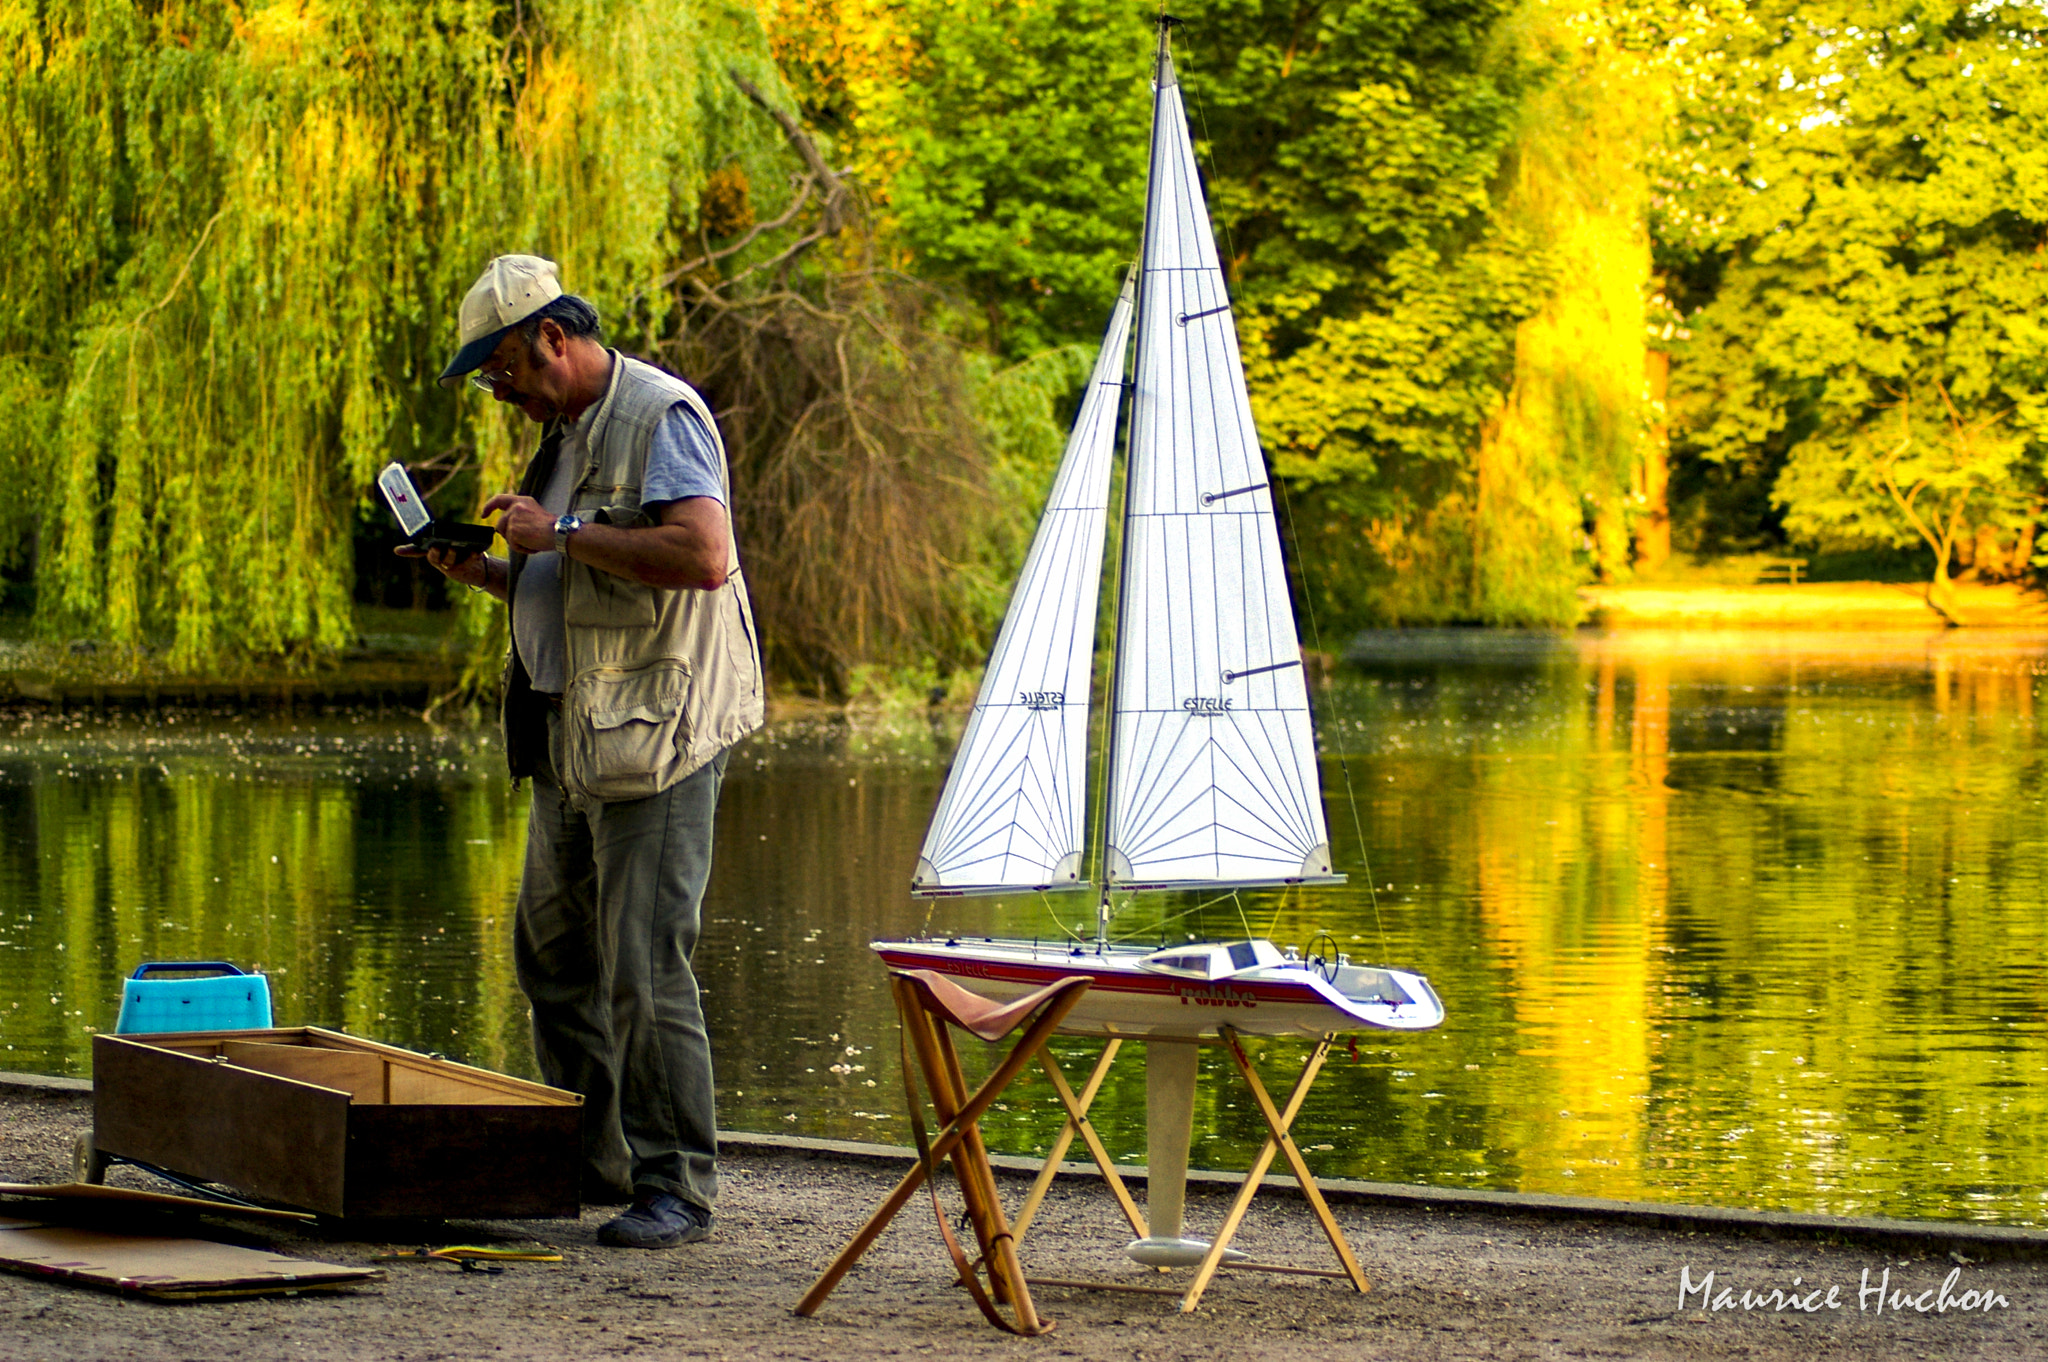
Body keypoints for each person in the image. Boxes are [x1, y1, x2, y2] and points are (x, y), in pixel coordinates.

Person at [407, 254, 763, 1249]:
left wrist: (556, 530)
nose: (499, 390)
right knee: (552, 957)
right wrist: (481, 569)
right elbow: (571, 588)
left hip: (658, 737)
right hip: (571, 734)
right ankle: (593, 1163)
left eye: (502, 368)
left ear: (553, 339)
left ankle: (676, 1185)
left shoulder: (660, 415)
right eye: (488, 376)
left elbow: (702, 555)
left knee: (644, 969)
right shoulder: (562, 435)